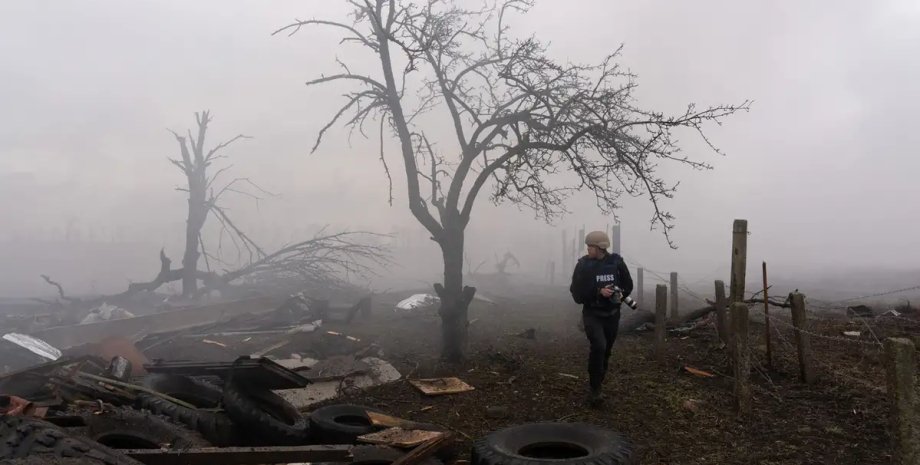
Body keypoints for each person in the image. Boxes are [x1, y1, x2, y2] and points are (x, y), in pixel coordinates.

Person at [569, 230, 633, 407]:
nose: (588, 250)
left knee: (606, 351)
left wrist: (618, 293)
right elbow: (576, 293)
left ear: (601, 248)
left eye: (591, 247)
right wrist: (598, 292)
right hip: (592, 314)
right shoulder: (583, 265)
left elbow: (628, 285)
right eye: (588, 247)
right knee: (599, 346)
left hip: (612, 314)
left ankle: (598, 381)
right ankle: (594, 389)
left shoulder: (617, 262)